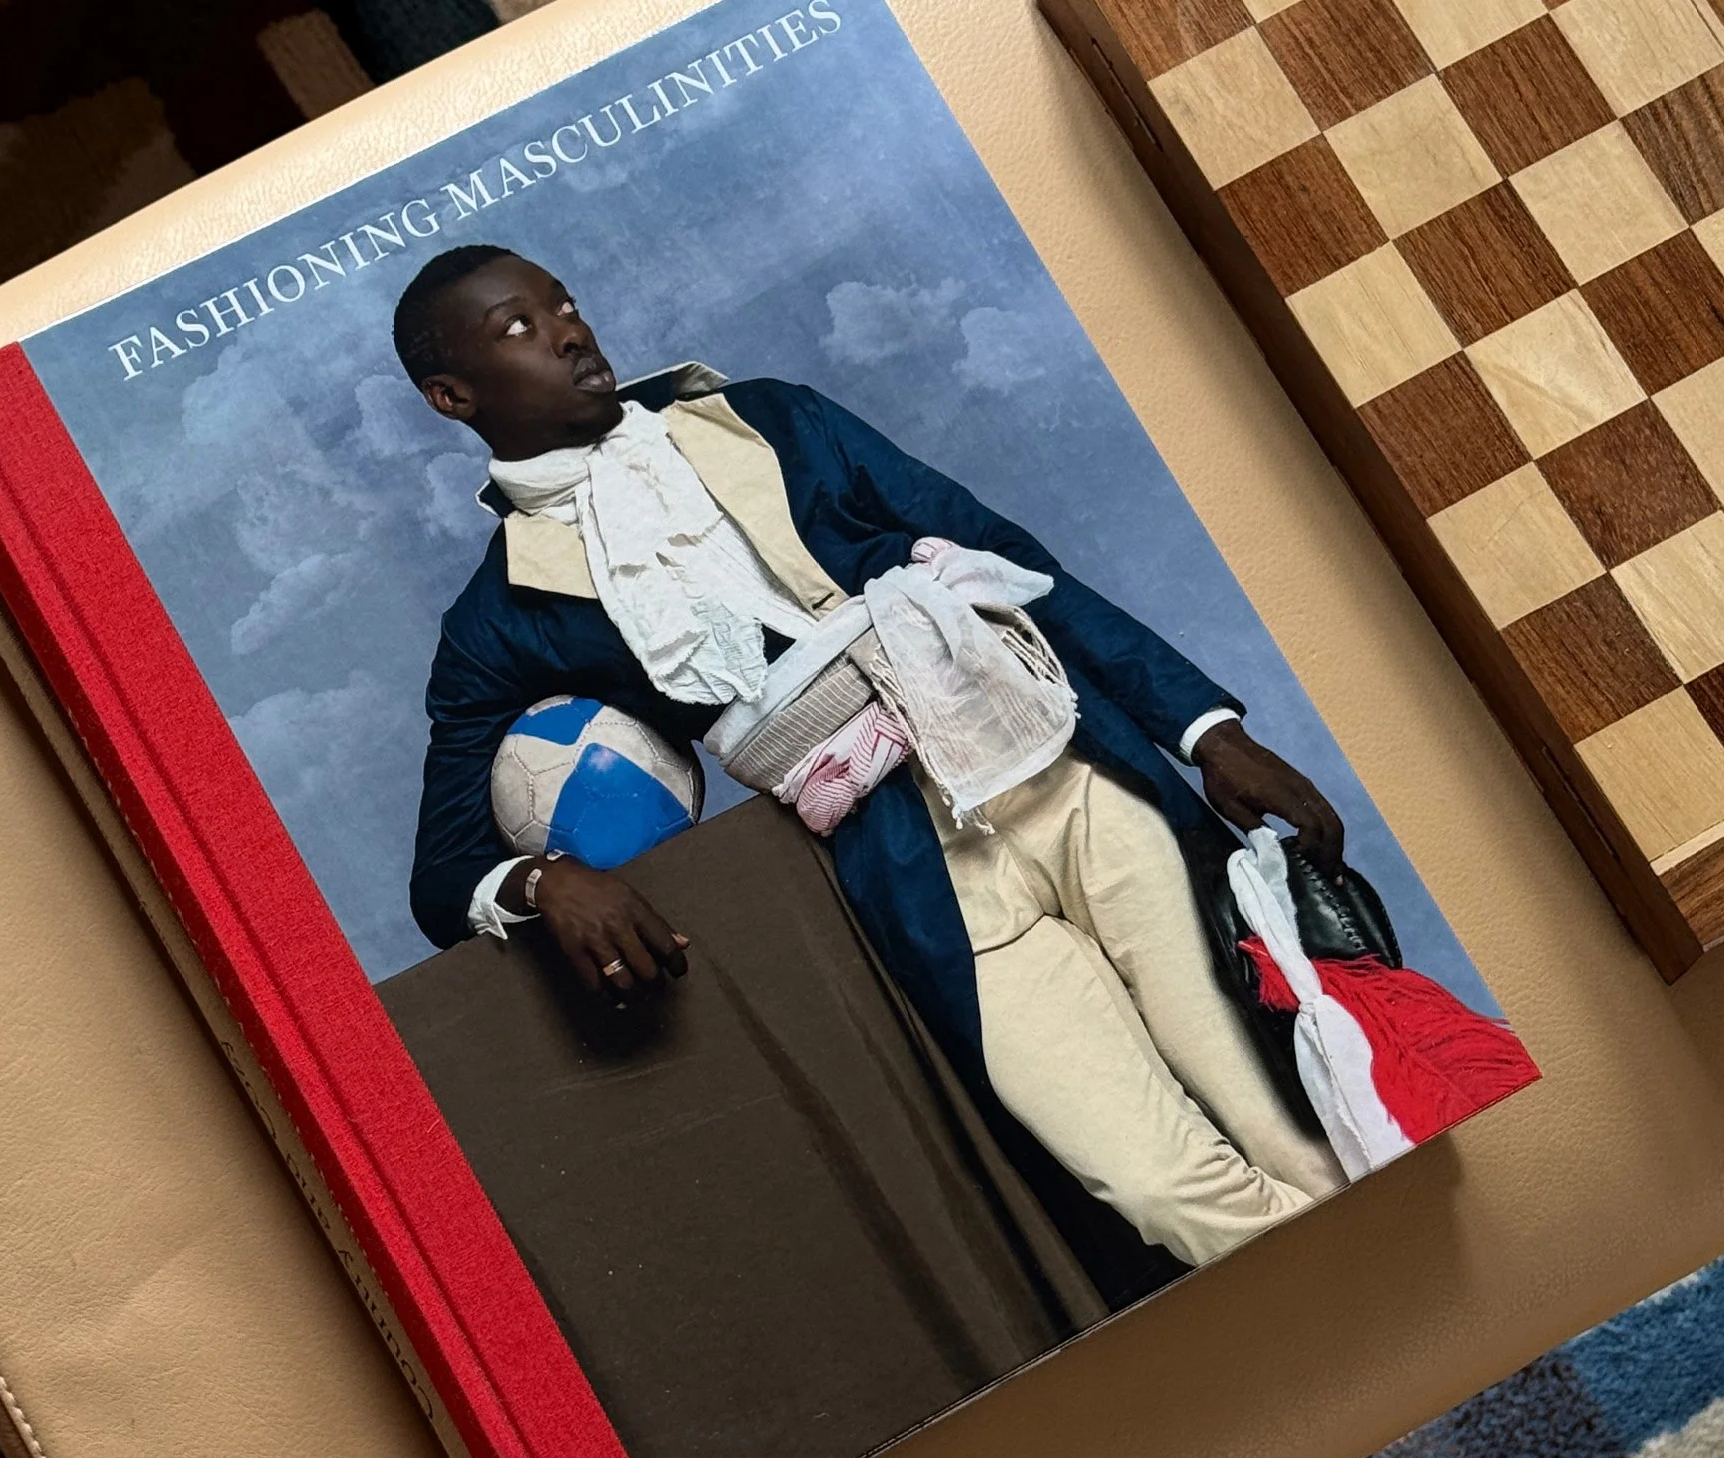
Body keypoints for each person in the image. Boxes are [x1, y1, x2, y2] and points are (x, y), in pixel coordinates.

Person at [400, 242, 1352, 1274]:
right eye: (518, 330)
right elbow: (442, 868)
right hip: (911, 868)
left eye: (566, 304)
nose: (569, 332)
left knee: (1283, 1105)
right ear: (451, 396)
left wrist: (1207, 728)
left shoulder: (772, 417)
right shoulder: (500, 616)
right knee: (1156, 1184)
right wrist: (545, 880)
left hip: (1064, 768)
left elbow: (1003, 556)